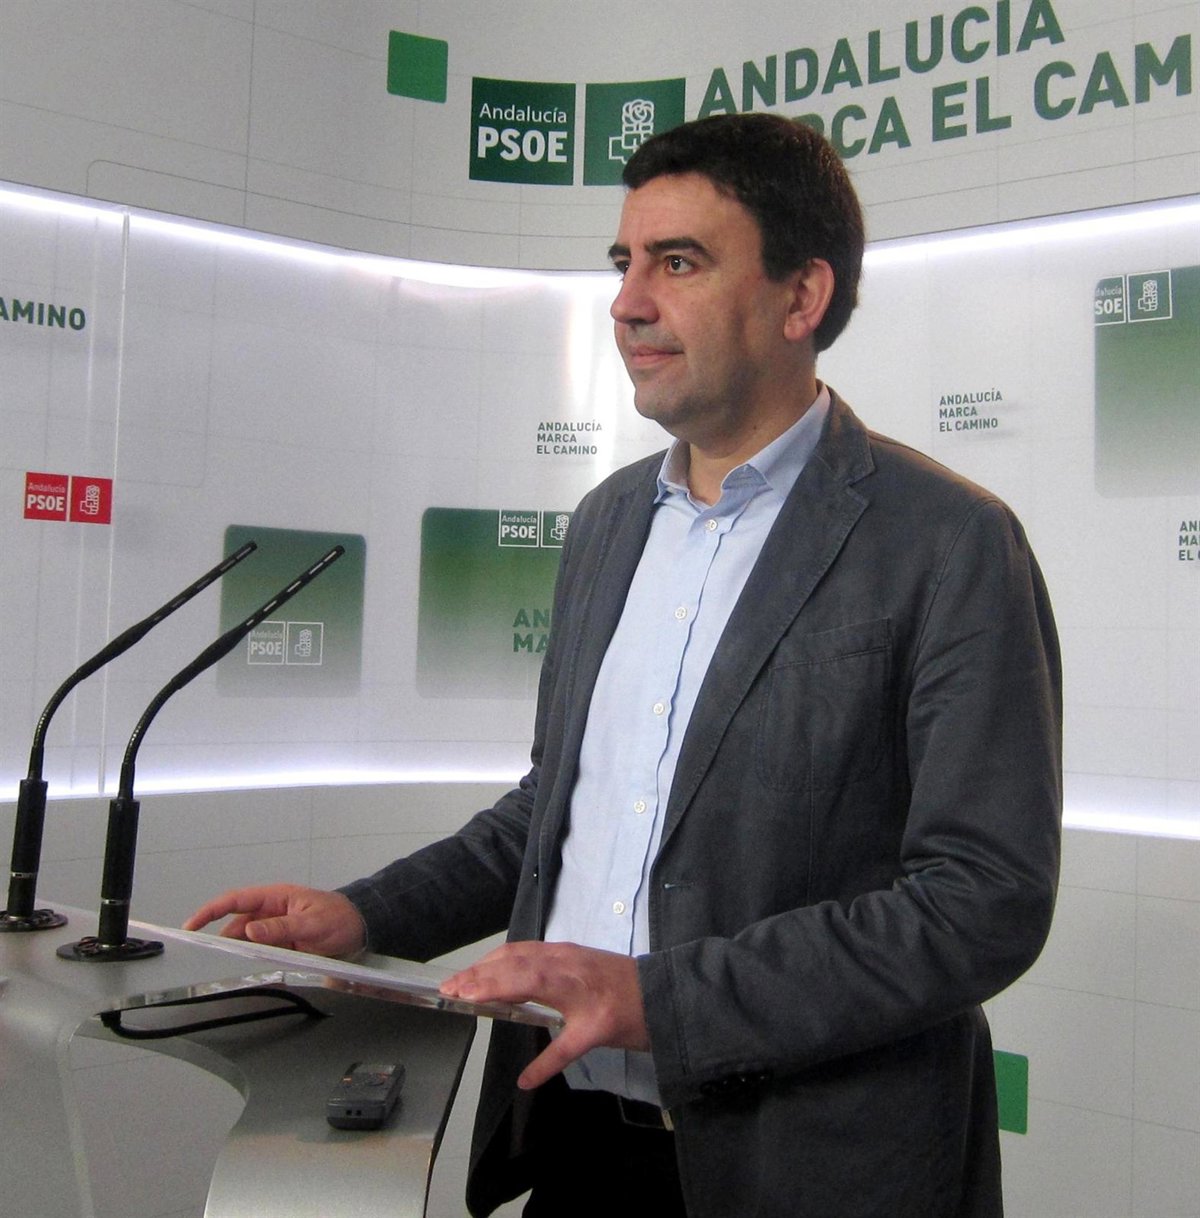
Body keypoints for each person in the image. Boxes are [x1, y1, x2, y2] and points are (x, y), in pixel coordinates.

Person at [185, 113, 1062, 1217]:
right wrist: (365, 920)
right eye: (623, 263)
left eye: (678, 263)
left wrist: (667, 1001)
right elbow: (553, 810)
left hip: (812, 1170)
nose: (628, 302)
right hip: (577, 1139)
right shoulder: (608, 524)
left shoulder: (948, 541)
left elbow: (983, 901)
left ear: (802, 296)